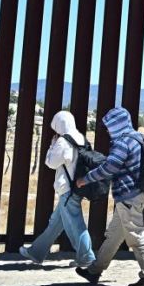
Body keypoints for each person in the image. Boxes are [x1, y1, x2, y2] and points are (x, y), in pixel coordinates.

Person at [74, 108, 144, 286]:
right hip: (136, 195)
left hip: (129, 196)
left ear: (116, 125)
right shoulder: (138, 138)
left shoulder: (122, 142)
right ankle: (94, 271)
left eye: (109, 126)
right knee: (114, 235)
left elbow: (110, 167)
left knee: (136, 234)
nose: (107, 130)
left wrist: (86, 179)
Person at [19, 110, 95, 268]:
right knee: (55, 223)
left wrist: (52, 146)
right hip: (77, 186)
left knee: (76, 224)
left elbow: (51, 163)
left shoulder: (63, 141)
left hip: (66, 189)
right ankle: (36, 252)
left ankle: (87, 257)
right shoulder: (81, 137)